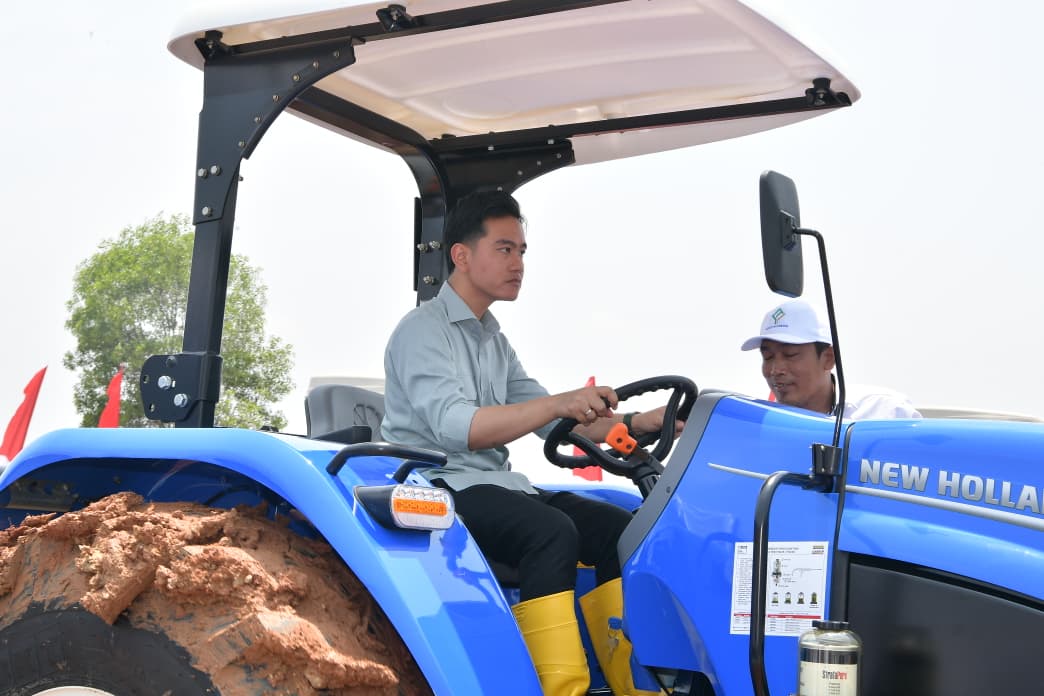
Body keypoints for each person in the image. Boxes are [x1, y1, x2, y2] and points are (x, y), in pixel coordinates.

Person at [382, 190, 673, 696]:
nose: (518, 263)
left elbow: (552, 420)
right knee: (550, 531)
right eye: (504, 249)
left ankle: (636, 686)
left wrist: (639, 420)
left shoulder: (492, 340)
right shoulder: (421, 332)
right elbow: (461, 427)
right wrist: (559, 404)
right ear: (462, 255)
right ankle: (558, 688)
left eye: (521, 251)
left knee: (619, 529)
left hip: (496, 485)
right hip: (437, 488)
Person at [741, 298, 921, 419]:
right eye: (768, 356)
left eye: (790, 355)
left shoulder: (885, 412)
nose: (775, 370)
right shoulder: (755, 419)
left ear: (828, 358)